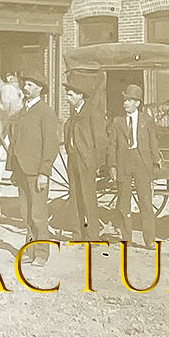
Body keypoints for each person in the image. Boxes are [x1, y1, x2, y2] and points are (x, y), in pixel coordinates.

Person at [108, 81, 161, 247]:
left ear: (137, 103)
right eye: (125, 100)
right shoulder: (117, 121)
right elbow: (112, 145)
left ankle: (150, 240)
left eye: (130, 100)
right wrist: (112, 166)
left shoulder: (147, 120)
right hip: (124, 162)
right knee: (124, 202)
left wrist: (155, 161)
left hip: (142, 163)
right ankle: (126, 238)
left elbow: (153, 142)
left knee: (145, 201)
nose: (125, 103)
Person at [5, 77, 60, 240]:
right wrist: (13, 169)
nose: (25, 87)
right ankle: (30, 250)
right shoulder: (22, 112)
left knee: (38, 214)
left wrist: (44, 172)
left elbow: (51, 145)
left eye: (30, 85)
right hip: (21, 170)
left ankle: (41, 253)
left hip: (36, 172)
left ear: (40, 89)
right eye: (25, 84)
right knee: (26, 213)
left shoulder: (45, 112)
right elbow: (15, 142)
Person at [58, 81, 105, 239]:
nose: (67, 97)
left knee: (88, 197)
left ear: (80, 95)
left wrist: (96, 164)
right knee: (75, 196)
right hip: (73, 160)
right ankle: (77, 232)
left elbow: (100, 141)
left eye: (70, 95)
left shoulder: (92, 113)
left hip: (87, 162)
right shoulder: (74, 113)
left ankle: (93, 235)